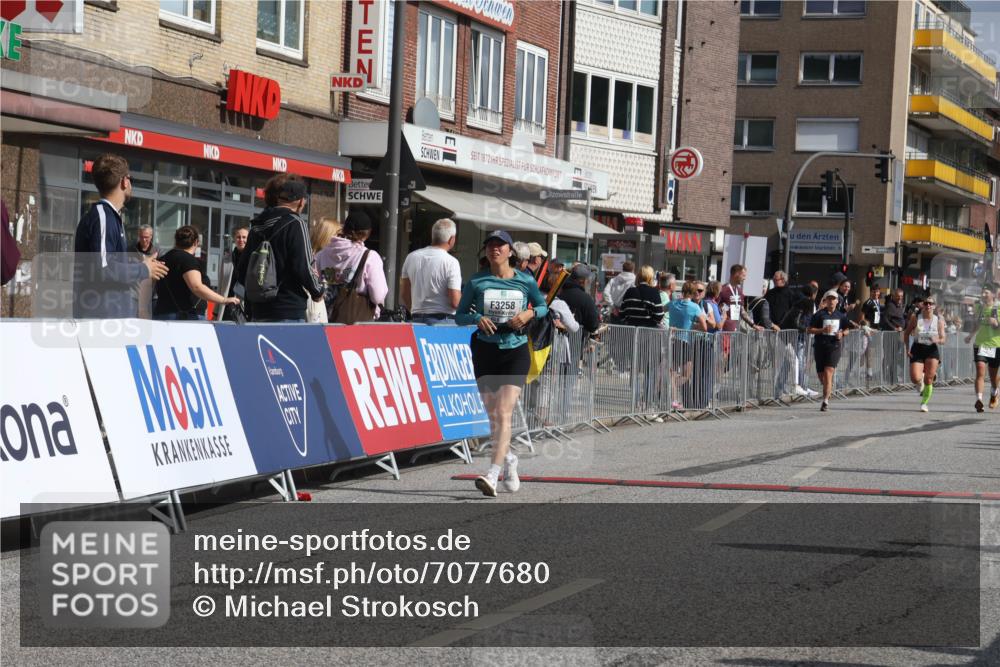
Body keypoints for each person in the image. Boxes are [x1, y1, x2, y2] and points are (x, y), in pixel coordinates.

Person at [456, 231, 548, 498]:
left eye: (500, 245)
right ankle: (509, 460)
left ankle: (492, 476)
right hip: (485, 350)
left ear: (510, 252)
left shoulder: (525, 281)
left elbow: (543, 308)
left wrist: (529, 312)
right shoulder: (476, 281)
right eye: (490, 245)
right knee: (493, 415)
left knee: (504, 411)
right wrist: (476, 318)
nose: (494, 249)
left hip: (515, 350)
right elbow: (459, 315)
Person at [73, 153, 168, 318]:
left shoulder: (108, 216)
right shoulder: (103, 217)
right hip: (102, 320)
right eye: (130, 179)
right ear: (125, 181)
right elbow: (104, 268)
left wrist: (141, 265)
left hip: (109, 318)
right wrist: (143, 269)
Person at [234, 173, 324, 322]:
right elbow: (302, 266)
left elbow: (242, 268)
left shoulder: (257, 227)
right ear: (301, 202)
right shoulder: (295, 223)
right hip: (288, 307)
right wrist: (318, 291)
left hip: (258, 310)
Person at [153, 226, 239, 320]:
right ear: (196, 242)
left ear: (176, 241)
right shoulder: (188, 260)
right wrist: (224, 300)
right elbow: (196, 287)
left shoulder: (163, 259)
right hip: (186, 318)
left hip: (162, 315)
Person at [315, 209, 388, 320]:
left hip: (325, 318)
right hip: (357, 320)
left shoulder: (321, 255)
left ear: (344, 229)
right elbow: (378, 297)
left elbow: (314, 285)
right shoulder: (370, 257)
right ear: (367, 233)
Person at [400, 218, 462, 325]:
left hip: (416, 319)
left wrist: (414, 309)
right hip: (443, 321)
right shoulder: (451, 262)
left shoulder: (411, 257)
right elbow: (455, 301)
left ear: (433, 236)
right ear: (451, 239)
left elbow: (404, 292)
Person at [807, 290, 851, 412]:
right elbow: (809, 329)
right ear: (825, 301)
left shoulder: (841, 316)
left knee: (828, 372)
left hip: (834, 347)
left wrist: (842, 334)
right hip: (820, 346)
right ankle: (828, 389)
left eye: (834, 299)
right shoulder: (819, 315)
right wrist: (822, 330)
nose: (831, 301)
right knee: (822, 376)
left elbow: (847, 329)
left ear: (837, 301)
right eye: (829, 299)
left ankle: (825, 401)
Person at [668, 280, 709, 410]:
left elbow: (660, 309)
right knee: (685, 374)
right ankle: (671, 393)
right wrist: (692, 326)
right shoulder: (694, 307)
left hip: (672, 339)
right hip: (685, 341)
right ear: (692, 293)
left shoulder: (673, 303)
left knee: (673, 372)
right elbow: (705, 327)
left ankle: (673, 399)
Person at [903, 295, 946, 413]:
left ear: (934, 306)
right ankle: (922, 377)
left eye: (930, 304)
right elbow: (906, 333)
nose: (928, 305)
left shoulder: (939, 320)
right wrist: (907, 348)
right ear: (922, 305)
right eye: (926, 303)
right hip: (917, 348)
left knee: (929, 379)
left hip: (931, 349)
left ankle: (924, 403)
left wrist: (937, 340)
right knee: (914, 378)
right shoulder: (916, 317)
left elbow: (943, 339)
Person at [778, 284, 820, 398]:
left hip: (787, 337)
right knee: (794, 361)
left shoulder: (798, 305)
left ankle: (787, 388)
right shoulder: (803, 305)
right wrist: (806, 329)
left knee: (791, 362)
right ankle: (795, 386)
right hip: (785, 338)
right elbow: (797, 323)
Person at [965, 285, 1000, 412]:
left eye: (986, 292)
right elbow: (977, 324)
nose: (984, 294)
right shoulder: (979, 307)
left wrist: (996, 323)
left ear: (993, 294)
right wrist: (970, 335)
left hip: (996, 345)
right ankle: (979, 400)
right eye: (982, 292)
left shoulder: (999, 307)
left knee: (993, 376)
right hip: (980, 344)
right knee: (980, 370)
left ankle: (994, 392)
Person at [560, 264, 600, 337]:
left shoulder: (558, 291)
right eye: (588, 280)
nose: (589, 282)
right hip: (576, 342)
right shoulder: (585, 299)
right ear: (583, 281)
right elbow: (593, 325)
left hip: (554, 341)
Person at [718, 264, 756, 332]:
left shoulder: (739, 291)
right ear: (736, 274)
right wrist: (722, 309)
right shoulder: (722, 290)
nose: (744, 278)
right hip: (723, 330)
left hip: (735, 330)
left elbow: (742, 311)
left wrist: (753, 325)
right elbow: (714, 307)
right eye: (743, 275)